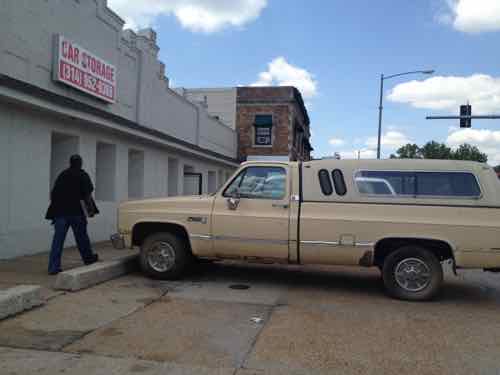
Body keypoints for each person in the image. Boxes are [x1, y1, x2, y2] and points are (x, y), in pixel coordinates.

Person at [45, 154, 99, 275]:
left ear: (70, 163)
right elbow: (87, 196)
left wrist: (54, 213)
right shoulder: (83, 175)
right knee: (82, 238)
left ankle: (53, 267)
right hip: (77, 213)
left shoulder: (62, 175)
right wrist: (90, 211)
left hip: (60, 213)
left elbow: (53, 194)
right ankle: (88, 259)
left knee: (57, 241)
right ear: (80, 163)